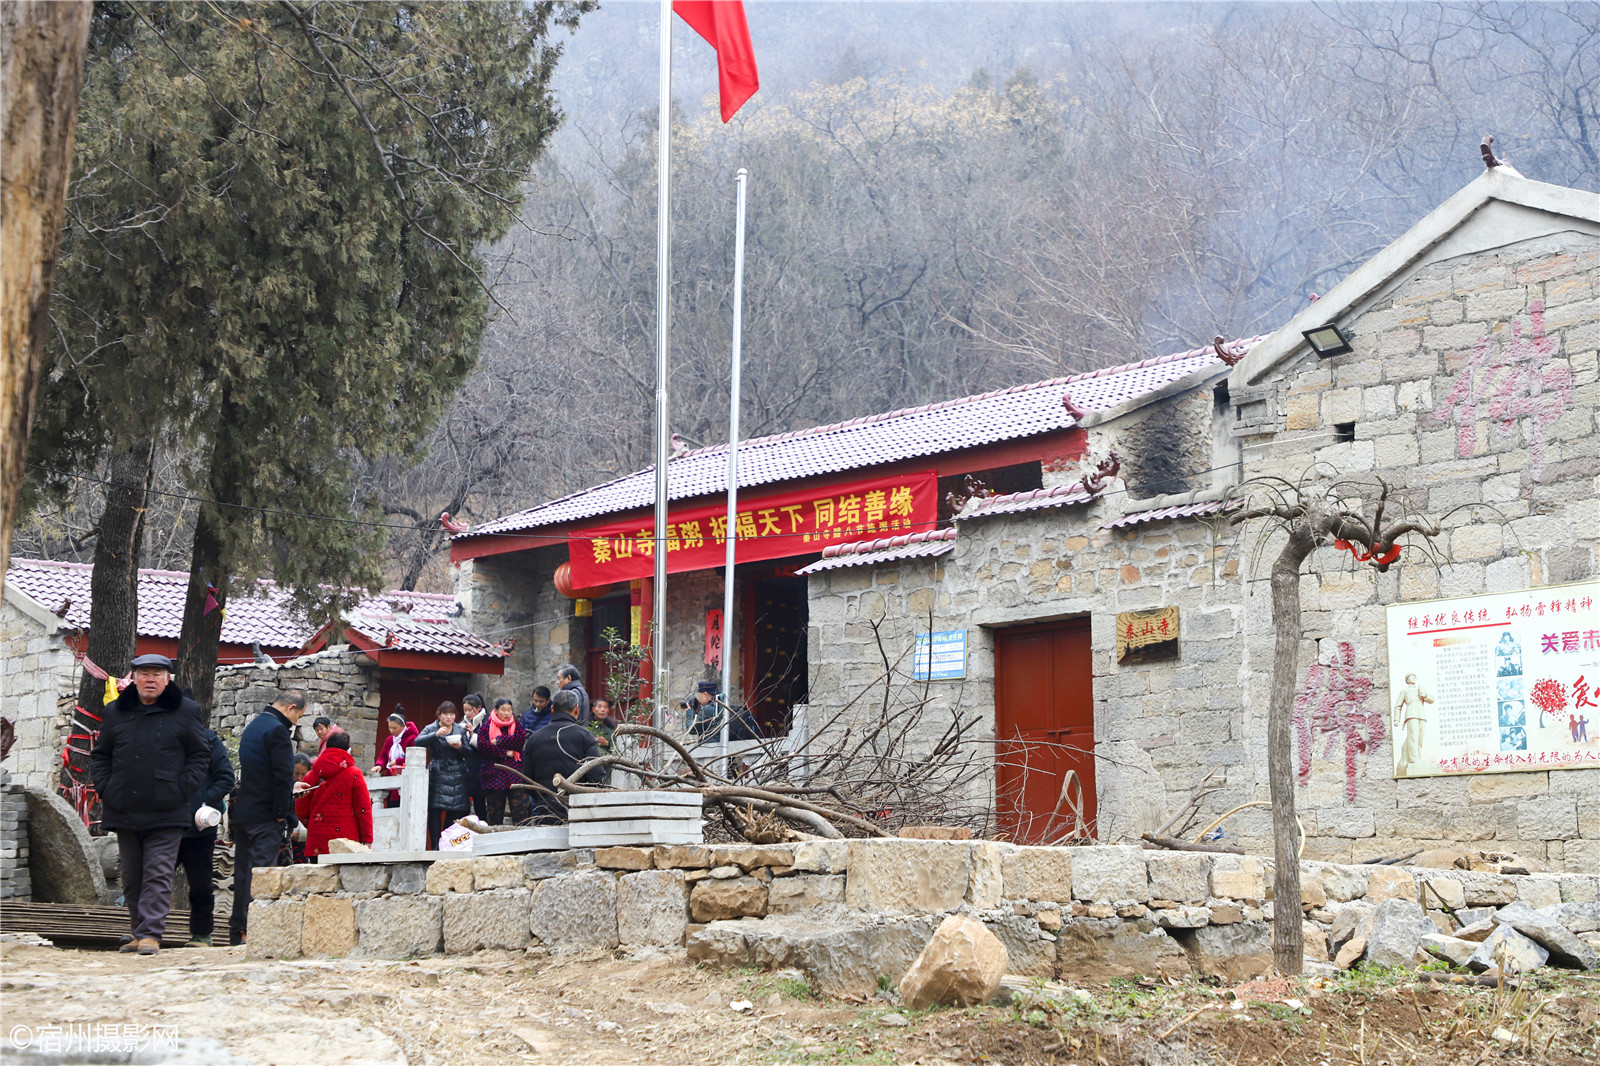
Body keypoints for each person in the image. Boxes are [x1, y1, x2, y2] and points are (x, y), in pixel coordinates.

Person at [89, 654, 209, 957]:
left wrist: (181, 788)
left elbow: (199, 755)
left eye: (157, 673)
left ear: (167, 678)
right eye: (144, 673)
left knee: (158, 870)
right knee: (131, 874)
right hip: (124, 806)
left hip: (167, 807)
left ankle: (151, 934)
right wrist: (106, 788)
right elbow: (101, 755)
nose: (150, 679)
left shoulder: (185, 710)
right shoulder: (116, 712)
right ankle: (137, 930)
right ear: (134, 677)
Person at [230, 690, 306, 947]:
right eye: (299, 716)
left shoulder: (254, 726)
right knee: (261, 873)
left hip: (244, 812)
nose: (296, 722)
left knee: (242, 873)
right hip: (266, 816)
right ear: (291, 708)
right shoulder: (278, 732)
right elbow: (283, 777)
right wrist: (282, 814)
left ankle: (238, 929)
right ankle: (252, 930)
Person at [177, 719, 235, 947]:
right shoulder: (159, 737)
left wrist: (206, 802)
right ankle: (144, 932)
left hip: (199, 829)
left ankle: (201, 934)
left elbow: (226, 778)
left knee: (201, 885)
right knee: (152, 881)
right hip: (164, 824)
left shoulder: (208, 740)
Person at [522, 689, 605, 823]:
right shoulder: (584, 736)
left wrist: (542, 798)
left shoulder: (534, 739)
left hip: (545, 809)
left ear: (552, 709)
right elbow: (596, 777)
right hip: (577, 809)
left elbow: (527, 780)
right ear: (576, 710)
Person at [293, 732, 373, 858]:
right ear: (347, 750)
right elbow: (363, 810)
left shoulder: (311, 775)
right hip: (347, 844)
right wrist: (367, 839)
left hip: (317, 842)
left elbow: (300, 806)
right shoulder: (354, 774)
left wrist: (313, 825)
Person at [415, 701, 473, 846]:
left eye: (452, 714)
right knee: (435, 810)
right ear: (439, 715)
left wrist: (460, 747)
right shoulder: (431, 728)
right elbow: (417, 741)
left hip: (457, 774)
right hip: (438, 772)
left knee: (453, 811)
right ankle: (435, 845)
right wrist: (435, 735)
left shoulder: (459, 730)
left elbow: (469, 752)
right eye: (445, 714)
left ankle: (447, 844)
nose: (449, 717)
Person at [475, 697, 527, 825]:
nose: (507, 713)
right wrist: (506, 752)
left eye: (509, 710)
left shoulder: (518, 726)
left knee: (520, 812)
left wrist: (499, 741)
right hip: (493, 775)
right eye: (503, 710)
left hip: (515, 774)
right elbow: (483, 747)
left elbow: (519, 740)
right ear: (496, 711)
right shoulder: (486, 727)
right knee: (494, 813)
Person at [373, 711, 419, 809]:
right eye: (390, 727)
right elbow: (383, 757)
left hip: (406, 776)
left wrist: (397, 762)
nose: (391, 730)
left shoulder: (412, 738)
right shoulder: (389, 740)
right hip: (391, 777)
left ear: (403, 726)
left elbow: (414, 758)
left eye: (394, 728)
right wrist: (379, 765)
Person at [461, 693, 488, 821]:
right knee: (464, 808)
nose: (467, 713)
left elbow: (486, 746)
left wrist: (472, 735)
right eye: (465, 710)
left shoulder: (487, 722)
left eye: (470, 710)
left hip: (483, 769)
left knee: (480, 806)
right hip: (467, 770)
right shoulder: (462, 724)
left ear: (478, 708)